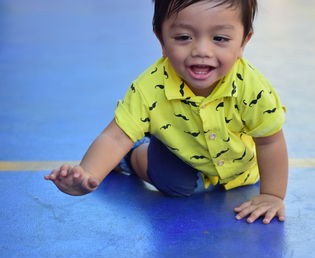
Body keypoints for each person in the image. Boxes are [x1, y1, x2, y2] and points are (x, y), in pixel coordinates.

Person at [44, 0, 288, 224]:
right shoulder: (149, 87)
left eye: (220, 39)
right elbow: (115, 137)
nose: (201, 50)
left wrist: (272, 195)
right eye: (183, 37)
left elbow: (269, 142)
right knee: (175, 186)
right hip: (178, 155)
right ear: (162, 40)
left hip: (240, 170)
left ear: (244, 41)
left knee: (204, 184)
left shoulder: (251, 87)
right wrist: (88, 174)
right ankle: (132, 156)